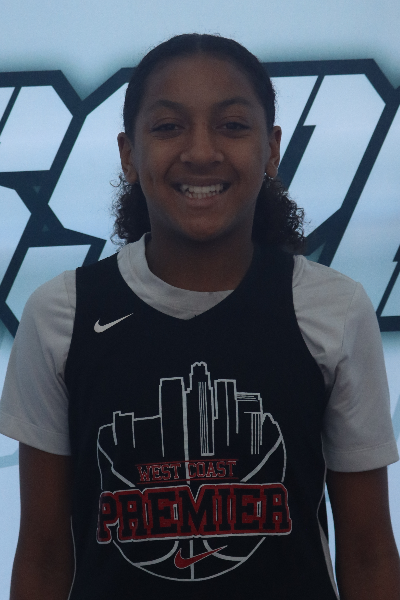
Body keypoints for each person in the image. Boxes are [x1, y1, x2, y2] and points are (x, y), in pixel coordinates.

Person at [0, 33, 399, 600]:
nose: (201, 151)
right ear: (128, 155)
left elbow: (368, 552)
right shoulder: (62, 314)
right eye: (168, 127)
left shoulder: (333, 309)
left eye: (232, 125)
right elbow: (42, 558)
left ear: (271, 150)